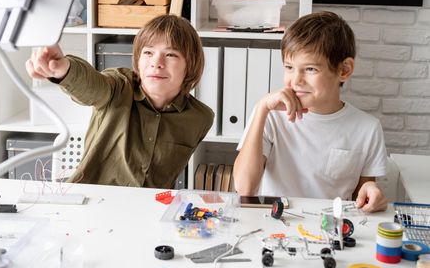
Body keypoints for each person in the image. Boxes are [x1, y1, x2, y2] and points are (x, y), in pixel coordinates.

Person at [26, 14, 214, 189]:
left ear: (190, 65)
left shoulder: (200, 118)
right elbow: (92, 86)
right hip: (91, 203)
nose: (156, 62)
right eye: (148, 53)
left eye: (171, 54)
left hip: (149, 212)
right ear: (138, 61)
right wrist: (63, 69)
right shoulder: (118, 86)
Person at [233, 11, 388, 212]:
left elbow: (362, 194)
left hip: (328, 229)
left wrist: (370, 188)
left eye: (310, 69)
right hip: (276, 225)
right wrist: (262, 108)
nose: (295, 80)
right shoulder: (271, 115)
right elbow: (244, 187)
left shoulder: (367, 128)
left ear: (344, 70)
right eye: (289, 67)